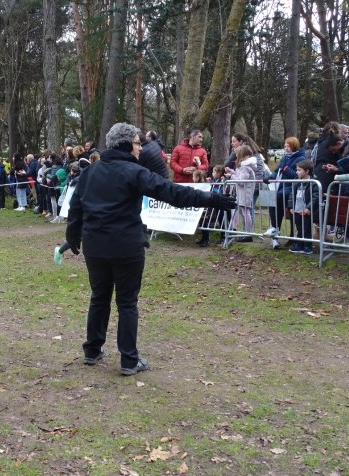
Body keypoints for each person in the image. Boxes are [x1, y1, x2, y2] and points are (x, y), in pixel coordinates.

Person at [64, 123, 236, 376]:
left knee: (99, 298)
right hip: (125, 247)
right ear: (124, 145)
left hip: (96, 246)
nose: (140, 148)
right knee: (126, 303)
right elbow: (171, 192)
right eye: (136, 143)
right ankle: (128, 360)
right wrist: (210, 198)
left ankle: (92, 351)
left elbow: (76, 209)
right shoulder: (133, 172)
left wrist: (73, 236)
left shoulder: (92, 172)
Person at [263, 137, 306, 249]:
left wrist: (286, 168)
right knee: (271, 200)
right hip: (281, 186)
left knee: (281, 198)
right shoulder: (285, 157)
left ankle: (291, 235)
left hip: (291, 187)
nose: (286, 148)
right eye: (285, 146)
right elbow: (278, 170)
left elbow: (296, 175)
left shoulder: (300, 158)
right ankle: (274, 228)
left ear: (294, 146)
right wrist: (270, 177)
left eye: (288, 146)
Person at [225, 145, 257, 242]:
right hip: (242, 192)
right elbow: (240, 176)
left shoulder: (245, 167)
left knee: (245, 212)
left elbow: (241, 181)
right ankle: (234, 229)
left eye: (238, 154)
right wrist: (232, 172)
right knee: (240, 211)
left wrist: (231, 176)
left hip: (245, 192)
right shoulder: (243, 167)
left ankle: (248, 233)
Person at [288, 160, 318, 254]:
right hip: (297, 209)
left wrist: (309, 208)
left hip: (306, 210)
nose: (297, 172)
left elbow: (315, 197)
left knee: (307, 228)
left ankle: (308, 246)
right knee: (299, 227)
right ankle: (299, 245)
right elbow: (292, 195)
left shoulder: (314, 182)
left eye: (299, 170)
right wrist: (291, 206)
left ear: (307, 171)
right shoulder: (297, 182)